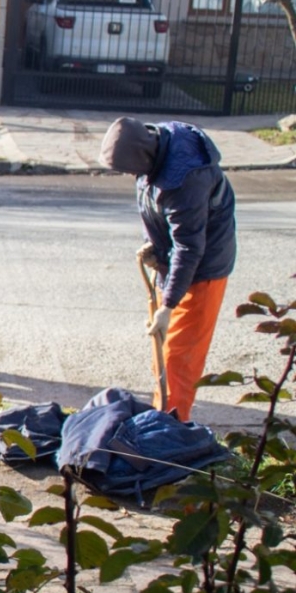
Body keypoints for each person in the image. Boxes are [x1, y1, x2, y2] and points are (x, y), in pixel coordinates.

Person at [99, 117, 236, 423]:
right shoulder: (153, 146)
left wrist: (169, 305)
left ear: (143, 157)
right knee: (162, 349)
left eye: (130, 169)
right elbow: (152, 206)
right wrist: (153, 247)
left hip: (203, 270)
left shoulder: (185, 177)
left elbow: (189, 247)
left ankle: (173, 429)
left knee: (179, 357)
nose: (131, 175)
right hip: (174, 261)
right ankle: (162, 414)